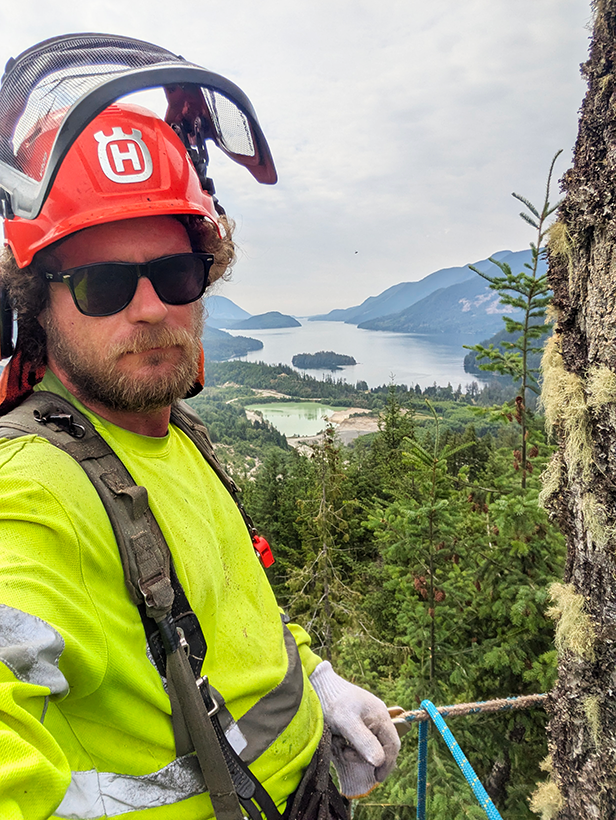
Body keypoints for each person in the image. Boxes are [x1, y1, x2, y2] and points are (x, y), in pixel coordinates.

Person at [0, 34, 400, 820]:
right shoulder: (33, 491)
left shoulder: (176, 435)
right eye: (103, 284)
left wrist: (315, 682)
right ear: (38, 304)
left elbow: (227, 606)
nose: (150, 307)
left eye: (176, 274)